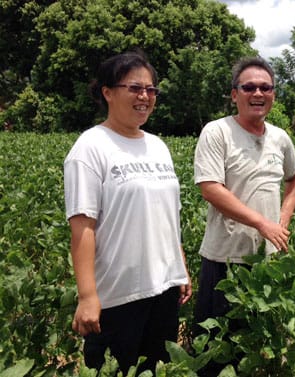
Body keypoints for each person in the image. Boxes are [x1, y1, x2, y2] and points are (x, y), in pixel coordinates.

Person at [63, 50, 192, 375]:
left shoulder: (158, 146)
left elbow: (167, 217)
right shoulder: (90, 148)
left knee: (156, 369)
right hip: (117, 296)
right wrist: (88, 296)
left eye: (151, 90)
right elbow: (83, 227)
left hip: (163, 289)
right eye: (135, 88)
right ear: (107, 92)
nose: (145, 97)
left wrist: (180, 268)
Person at [192, 56, 295, 375]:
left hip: (266, 263)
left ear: (273, 94)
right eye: (249, 87)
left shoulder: (280, 138)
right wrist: (261, 222)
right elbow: (210, 188)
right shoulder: (217, 132)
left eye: (265, 87)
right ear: (234, 94)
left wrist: (282, 220)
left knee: (259, 351)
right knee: (216, 353)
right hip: (224, 261)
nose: (258, 93)